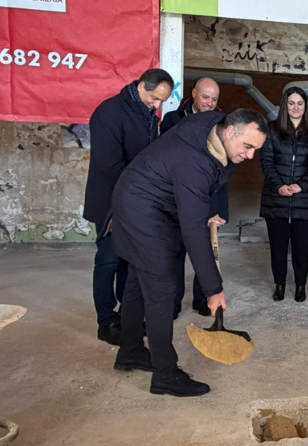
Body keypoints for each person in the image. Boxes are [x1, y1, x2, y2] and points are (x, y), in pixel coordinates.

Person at [111, 109, 268, 397]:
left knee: (136, 281)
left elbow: (204, 186)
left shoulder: (212, 128)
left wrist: (209, 210)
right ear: (231, 131)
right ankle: (165, 375)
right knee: (161, 290)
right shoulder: (194, 161)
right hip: (142, 210)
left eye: (256, 150)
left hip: (141, 198)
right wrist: (213, 289)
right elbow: (193, 231)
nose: (250, 156)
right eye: (248, 147)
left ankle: (131, 351)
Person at [83, 68, 174, 346]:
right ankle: (106, 320)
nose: (157, 106)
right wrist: (143, 188)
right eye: (154, 98)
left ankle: (128, 315)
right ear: (141, 85)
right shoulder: (108, 113)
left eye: (162, 102)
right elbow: (109, 166)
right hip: (111, 201)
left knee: (129, 259)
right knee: (108, 260)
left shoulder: (146, 113)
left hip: (136, 200)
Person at [159, 77, 227, 318]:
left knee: (204, 252)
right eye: (205, 97)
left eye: (214, 99)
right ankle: (174, 302)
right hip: (176, 199)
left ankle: (202, 300)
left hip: (209, 201)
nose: (210, 103)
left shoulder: (222, 123)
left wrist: (219, 209)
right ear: (194, 93)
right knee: (175, 256)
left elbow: (224, 170)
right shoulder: (172, 121)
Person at [259, 87, 308, 303]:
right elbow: (266, 161)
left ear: (306, 106)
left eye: (300, 103)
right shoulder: (272, 131)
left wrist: (301, 185)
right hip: (276, 198)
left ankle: (300, 285)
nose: (295, 108)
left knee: (302, 247)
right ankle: (280, 284)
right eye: (291, 103)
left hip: (304, 198)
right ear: (285, 106)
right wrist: (280, 186)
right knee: (278, 246)